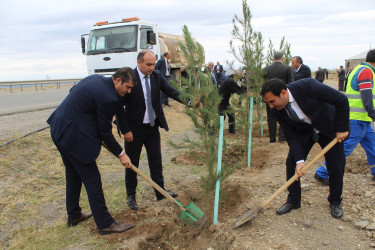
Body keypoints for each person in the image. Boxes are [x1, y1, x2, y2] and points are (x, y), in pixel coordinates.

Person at [47, 67, 136, 235]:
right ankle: (106, 224)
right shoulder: (107, 97)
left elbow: (75, 93)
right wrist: (121, 154)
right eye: (128, 87)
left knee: (73, 175)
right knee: (92, 179)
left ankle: (74, 215)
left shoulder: (95, 79)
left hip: (58, 128)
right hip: (72, 136)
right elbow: (105, 133)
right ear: (118, 81)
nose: (129, 91)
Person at [261, 78, 349, 219]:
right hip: (304, 132)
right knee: (292, 162)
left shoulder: (308, 86)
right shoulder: (277, 110)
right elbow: (291, 135)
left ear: (283, 93)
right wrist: (300, 160)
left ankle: (335, 201)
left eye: (272, 101)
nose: (270, 106)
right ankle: (294, 200)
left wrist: (342, 128)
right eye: (268, 103)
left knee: (336, 165)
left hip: (328, 127)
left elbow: (341, 100)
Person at [117, 51, 182, 211]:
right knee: (132, 164)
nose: (152, 67)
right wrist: (125, 130)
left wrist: (189, 101)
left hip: (152, 128)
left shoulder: (156, 76)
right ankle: (131, 195)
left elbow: (171, 91)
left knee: (156, 161)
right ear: (139, 63)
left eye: (153, 64)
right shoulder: (130, 79)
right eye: (148, 64)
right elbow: (118, 107)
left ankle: (160, 192)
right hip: (134, 131)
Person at [315, 49, 375, 185]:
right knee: (345, 148)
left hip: (362, 119)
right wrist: (372, 113)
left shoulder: (358, 69)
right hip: (357, 119)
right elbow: (366, 96)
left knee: (373, 146)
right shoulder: (366, 71)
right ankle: (322, 173)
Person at [263, 51, 294, 143]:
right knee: (284, 117)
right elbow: (291, 84)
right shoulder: (287, 69)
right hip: (282, 98)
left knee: (271, 118)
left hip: (269, 98)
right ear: (282, 59)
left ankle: (272, 139)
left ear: (273, 59)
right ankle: (281, 137)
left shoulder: (266, 69)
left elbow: (263, 84)